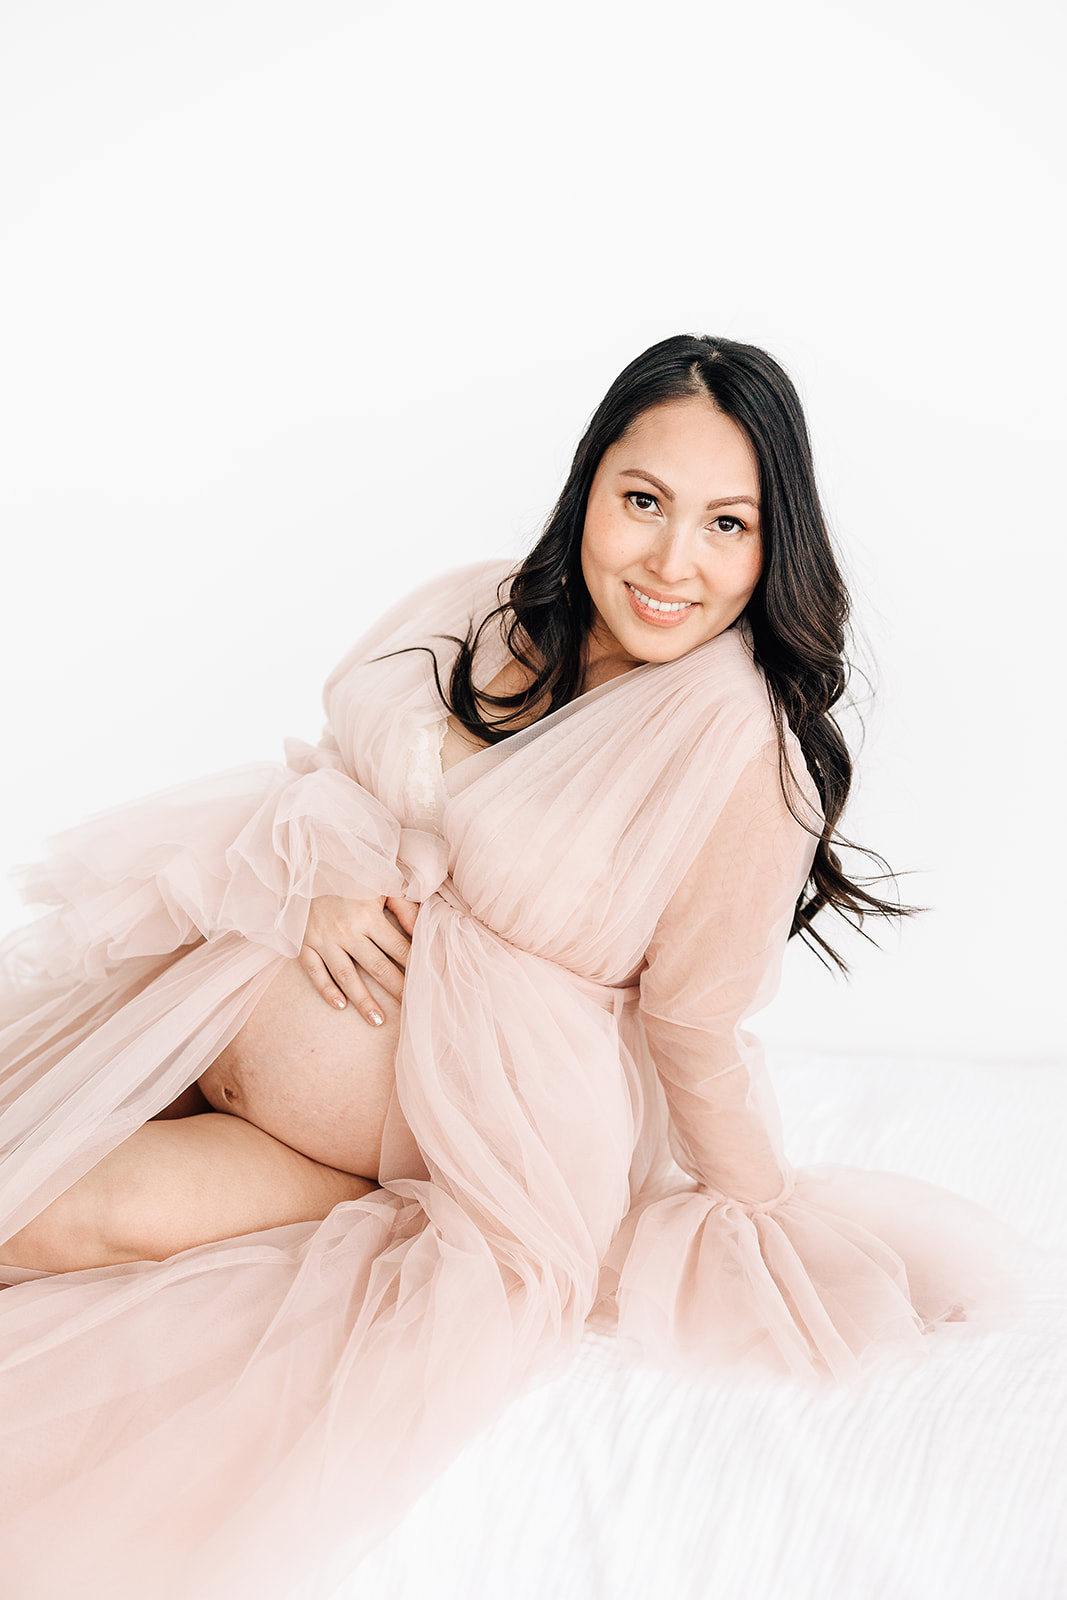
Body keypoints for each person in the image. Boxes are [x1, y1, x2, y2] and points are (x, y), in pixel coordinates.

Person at [0, 335, 1026, 1599]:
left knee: (47, 1214)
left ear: (775, 546)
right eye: (642, 501)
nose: (671, 561)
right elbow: (339, 745)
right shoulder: (489, 607)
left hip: (438, 1138)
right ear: (590, 484)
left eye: (725, 523)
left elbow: (695, 1026)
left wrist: (760, 1218)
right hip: (209, 1012)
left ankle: (367, 1225)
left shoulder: (740, 751)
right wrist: (321, 866)